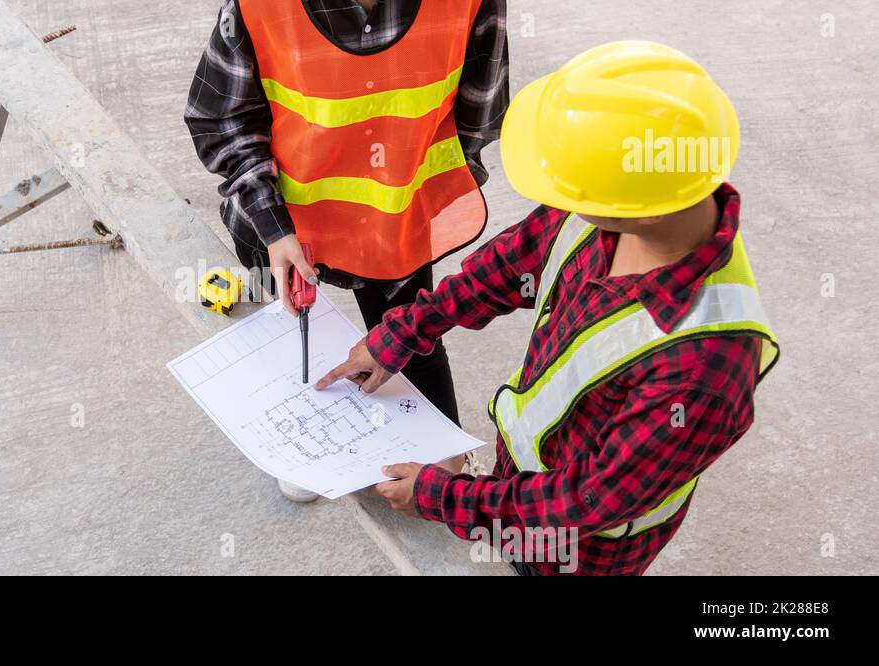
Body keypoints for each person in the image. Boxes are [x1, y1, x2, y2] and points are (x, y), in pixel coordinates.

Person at [316, 41, 779, 575]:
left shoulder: (704, 368)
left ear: (636, 210)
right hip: (523, 483)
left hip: (582, 554)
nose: (562, 201)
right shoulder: (622, 198)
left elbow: (586, 503)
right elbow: (509, 265)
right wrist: (402, 333)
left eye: (574, 191)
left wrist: (447, 498)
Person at [185, 0, 509, 502]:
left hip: (392, 220)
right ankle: (308, 450)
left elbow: (477, 117)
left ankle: (437, 458)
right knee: (295, 331)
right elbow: (220, 118)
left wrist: (411, 195)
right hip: (283, 222)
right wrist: (272, 223)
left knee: (406, 340)